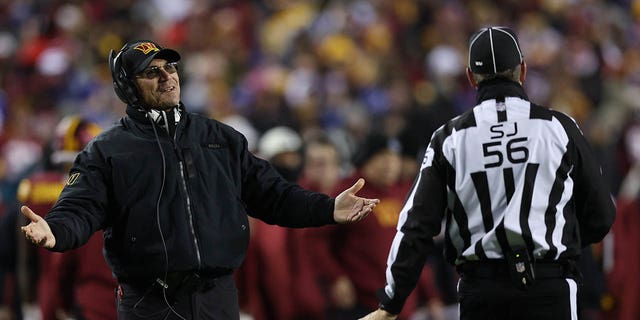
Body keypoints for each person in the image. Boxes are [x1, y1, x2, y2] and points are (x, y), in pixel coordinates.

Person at [19, 40, 380, 320]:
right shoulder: (107, 151)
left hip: (217, 298)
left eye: (170, 67)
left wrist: (328, 208)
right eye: (152, 72)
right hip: (148, 302)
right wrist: (56, 231)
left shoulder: (220, 138)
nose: (167, 77)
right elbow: (79, 207)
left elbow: (274, 195)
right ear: (128, 88)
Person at [360, 26, 616, 320]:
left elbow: (416, 225)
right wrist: (558, 244)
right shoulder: (558, 127)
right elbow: (602, 214)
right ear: (523, 70)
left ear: (470, 77)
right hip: (549, 287)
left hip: (482, 291)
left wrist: (391, 302)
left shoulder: (449, 138)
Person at [305, 132, 444, 320]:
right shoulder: (349, 191)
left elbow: (414, 246)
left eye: (394, 157)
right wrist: (336, 277)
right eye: (382, 157)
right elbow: (315, 239)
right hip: (361, 304)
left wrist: (431, 295)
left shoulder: (402, 193)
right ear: (367, 159)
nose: (390, 164)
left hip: (400, 305)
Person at [16, 115, 115, 320]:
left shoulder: (35, 188)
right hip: (93, 298)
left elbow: (25, 258)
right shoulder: (111, 193)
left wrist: (27, 300)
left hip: (67, 295)